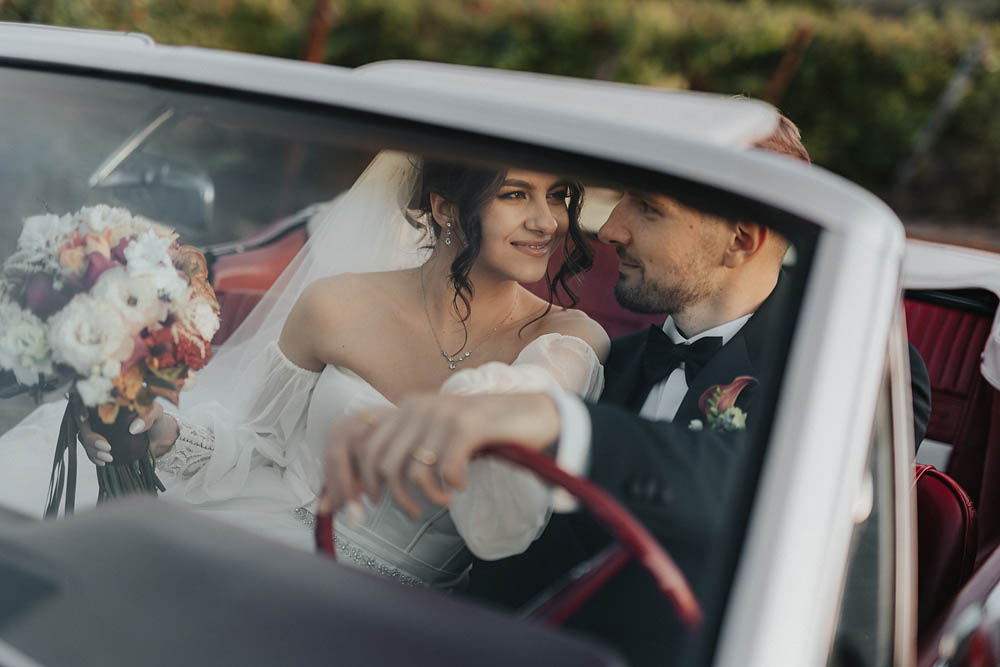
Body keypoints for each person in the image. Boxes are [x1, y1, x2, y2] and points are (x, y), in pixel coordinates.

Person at [316, 118, 932, 665]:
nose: (610, 230)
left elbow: (789, 486)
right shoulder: (608, 361)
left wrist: (559, 424)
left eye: (648, 208)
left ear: (741, 240)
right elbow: (512, 556)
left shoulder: (854, 368)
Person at [0, 152, 610, 589]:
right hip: (253, 531)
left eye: (558, 195)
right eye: (515, 195)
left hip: (394, 608)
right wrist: (161, 432)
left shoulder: (568, 340)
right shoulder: (337, 304)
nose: (548, 221)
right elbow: (258, 444)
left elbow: (500, 506)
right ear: (444, 207)